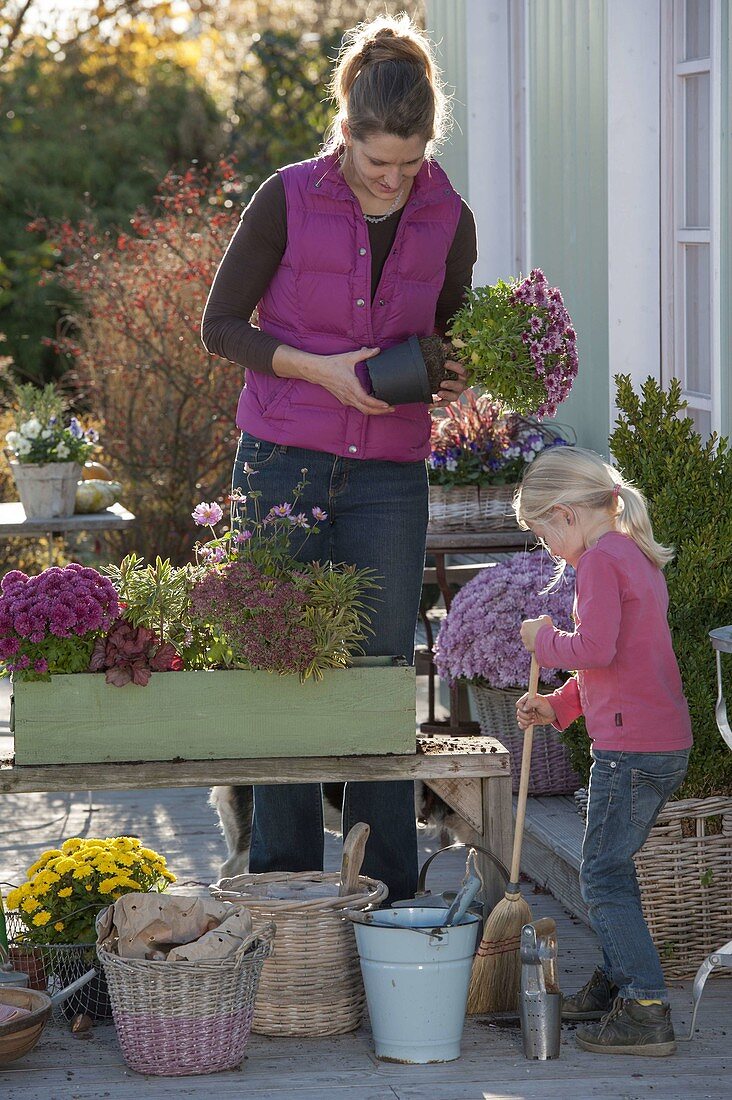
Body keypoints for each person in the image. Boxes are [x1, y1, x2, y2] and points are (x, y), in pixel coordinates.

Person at [201, 13, 477, 902]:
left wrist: (452, 366)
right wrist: (318, 368)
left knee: (380, 683)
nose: (392, 184)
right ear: (345, 134)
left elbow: (450, 336)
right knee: (286, 674)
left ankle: (388, 904)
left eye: (408, 166)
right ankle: (285, 897)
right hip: (281, 463)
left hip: (389, 477)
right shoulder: (287, 196)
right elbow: (220, 327)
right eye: (374, 166)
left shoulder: (448, 215)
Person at [514, 446, 692, 1057]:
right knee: (611, 870)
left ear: (564, 514)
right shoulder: (631, 553)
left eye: (542, 536)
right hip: (657, 740)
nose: (548, 551)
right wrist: (559, 707)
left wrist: (544, 639)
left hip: (630, 751)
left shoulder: (599, 561)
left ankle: (644, 1007)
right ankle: (619, 982)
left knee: (603, 877)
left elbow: (592, 647)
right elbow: (621, 665)